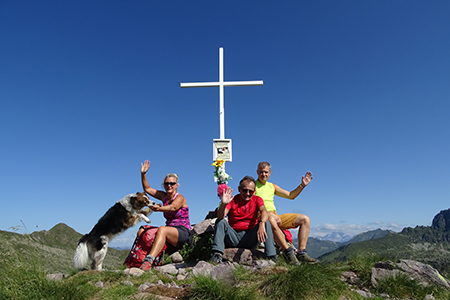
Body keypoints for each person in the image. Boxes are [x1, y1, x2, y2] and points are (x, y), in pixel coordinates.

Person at [255, 161, 317, 263]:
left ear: (270, 173)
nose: (263, 174)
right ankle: (288, 252)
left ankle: (302, 253)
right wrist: (269, 214)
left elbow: (290, 195)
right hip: (261, 216)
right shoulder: (253, 186)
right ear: (257, 172)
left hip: (274, 215)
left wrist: (302, 185)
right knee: (271, 220)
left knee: (305, 219)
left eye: (266, 172)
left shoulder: (272, 186)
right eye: (261, 172)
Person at [210, 176, 278, 263]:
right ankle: (217, 255)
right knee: (220, 222)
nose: (247, 193)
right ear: (239, 189)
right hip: (233, 237)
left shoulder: (257, 199)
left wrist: (262, 223)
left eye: (251, 191)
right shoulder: (233, 200)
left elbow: (263, 211)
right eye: (245, 190)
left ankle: (271, 255)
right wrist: (223, 204)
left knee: (266, 222)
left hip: (250, 237)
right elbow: (220, 216)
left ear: (254, 191)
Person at [139, 160, 191, 270]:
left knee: (162, 229)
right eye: (167, 183)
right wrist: (143, 174)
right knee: (143, 230)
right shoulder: (164, 196)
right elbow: (147, 189)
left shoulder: (180, 198)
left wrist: (159, 209)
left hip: (182, 231)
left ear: (176, 185)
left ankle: (149, 261)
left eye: (172, 184)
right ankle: (138, 258)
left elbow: (173, 207)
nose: (169, 186)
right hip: (169, 230)